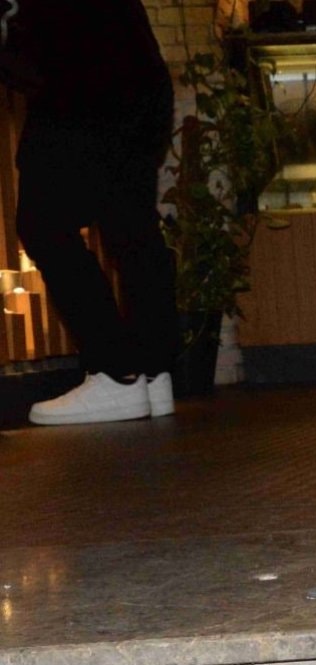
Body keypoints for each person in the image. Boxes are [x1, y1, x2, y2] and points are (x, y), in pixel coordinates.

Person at [6, 0, 179, 425]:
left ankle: (116, 372)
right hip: (138, 80)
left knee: (44, 225)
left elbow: (31, 54)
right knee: (130, 227)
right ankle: (153, 373)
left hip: (81, 88)